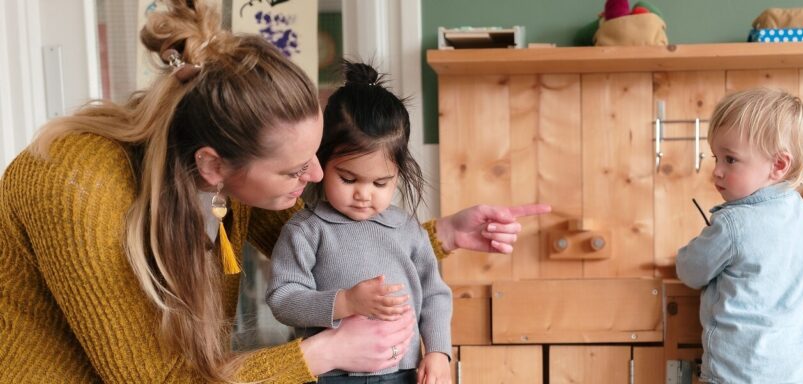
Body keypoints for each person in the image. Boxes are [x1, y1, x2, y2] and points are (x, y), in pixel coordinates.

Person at [0, 1, 549, 382]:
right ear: (212, 165)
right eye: (293, 171)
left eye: (315, 154)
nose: (315, 177)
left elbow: (324, 241)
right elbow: (155, 379)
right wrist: (322, 352)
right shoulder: (76, 187)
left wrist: (444, 233)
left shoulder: (219, 170)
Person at [267, 61, 452, 384]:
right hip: (331, 375)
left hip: (404, 373)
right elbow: (283, 298)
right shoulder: (306, 229)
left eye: (380, 183)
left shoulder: (408, 230)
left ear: (399, 174)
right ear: (322, 160)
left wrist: (438, 352)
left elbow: (435, 295)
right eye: (349, 178)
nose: (363, 195)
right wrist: (345, 302)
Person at [675, 87, 803, 383]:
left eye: (730, 160)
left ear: (779, 165)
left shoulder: (733, 223)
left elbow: (691, 271)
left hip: (735, 375)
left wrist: (685, 252)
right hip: (794, 374)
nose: (716, 171)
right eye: (716, 157)